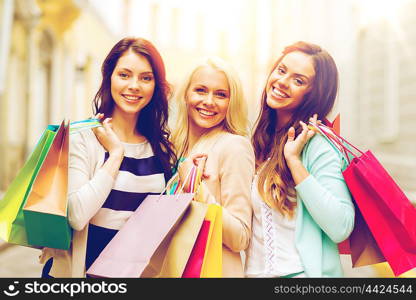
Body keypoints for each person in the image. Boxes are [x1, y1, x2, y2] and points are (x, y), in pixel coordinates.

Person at [40, 37, 177, 277]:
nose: (134, 85)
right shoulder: (83, 137)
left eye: (146, 78)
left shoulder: (161, 148)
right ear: (109, 77)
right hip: (81, 272)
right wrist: (116, 155)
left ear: (156, 85)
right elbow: (77, 215)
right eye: (124, 75)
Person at [244, 41, 355, 277]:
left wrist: (294, 162)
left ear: (314, 94)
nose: (282, 82)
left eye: (298, 80)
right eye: (281, 70)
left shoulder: (317, 145)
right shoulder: (262, 138)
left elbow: (341, 226)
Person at [171, 57, 255, 277]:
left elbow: (240, 237)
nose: (209, 101)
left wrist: (195, 185)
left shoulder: (234, 146)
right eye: (200, 90)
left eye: (221, 94)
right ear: (186, 94)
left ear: (231, 102)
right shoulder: (174, 146)